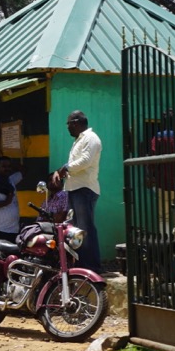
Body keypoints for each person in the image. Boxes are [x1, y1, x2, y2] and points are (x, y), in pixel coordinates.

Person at [56, 110, 103, 274]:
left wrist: (65, 168)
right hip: (74, 189)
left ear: (76, 122)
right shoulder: (79, 140)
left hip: (84, 189)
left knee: (85, 228)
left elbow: (85, 161)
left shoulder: (91, 138)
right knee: (76, 230)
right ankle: (81, 265)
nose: (68, 127)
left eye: (69, 123)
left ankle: (92, 266)